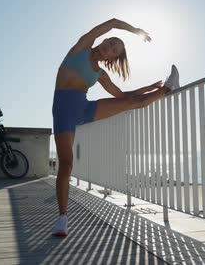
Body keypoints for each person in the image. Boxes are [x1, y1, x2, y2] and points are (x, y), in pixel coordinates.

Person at [51, 18, 180, 236]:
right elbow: (111, 22)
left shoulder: (100, 74)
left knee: (130, 103)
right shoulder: (83, 45)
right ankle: (62, 218)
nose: (109, 48)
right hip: (63, 111)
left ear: (112, 58)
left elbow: (121, 95)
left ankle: (168, 88)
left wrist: (147, 87)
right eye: (110, 43)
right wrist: (135, 30)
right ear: (104, 39)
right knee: (66, 164)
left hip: (83, 108)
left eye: (114, 50)